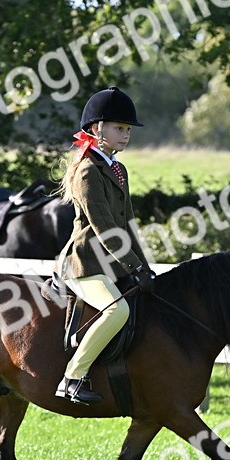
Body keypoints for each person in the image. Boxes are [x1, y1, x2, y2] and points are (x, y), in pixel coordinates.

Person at [54, 86, 155, 404]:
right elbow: (105, 227)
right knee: (117, 310)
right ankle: (72, 377)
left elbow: (127, 224)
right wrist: (133, 266)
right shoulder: (86, 172)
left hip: (111, 262)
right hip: (84, 264)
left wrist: (146, 267)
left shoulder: (117, 169)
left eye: (127, 130)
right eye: (119, 128)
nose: (126, 135)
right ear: (97, 129)